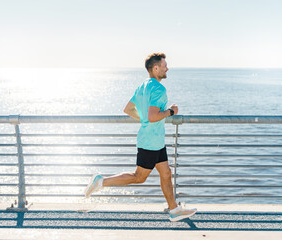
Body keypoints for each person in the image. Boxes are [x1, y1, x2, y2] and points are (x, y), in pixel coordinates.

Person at [84, 53, 197, 222]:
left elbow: (128, 109)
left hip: (155, 140)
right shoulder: (159, 89)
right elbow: (153, 116)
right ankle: (101, 181)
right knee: (139, 177)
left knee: (166, 173)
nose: (167, 68)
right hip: (151, 142)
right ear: (156, 68)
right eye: (165, 65)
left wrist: (145, 120)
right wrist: (171, 111)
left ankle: (174, 210)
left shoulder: (143, 86)